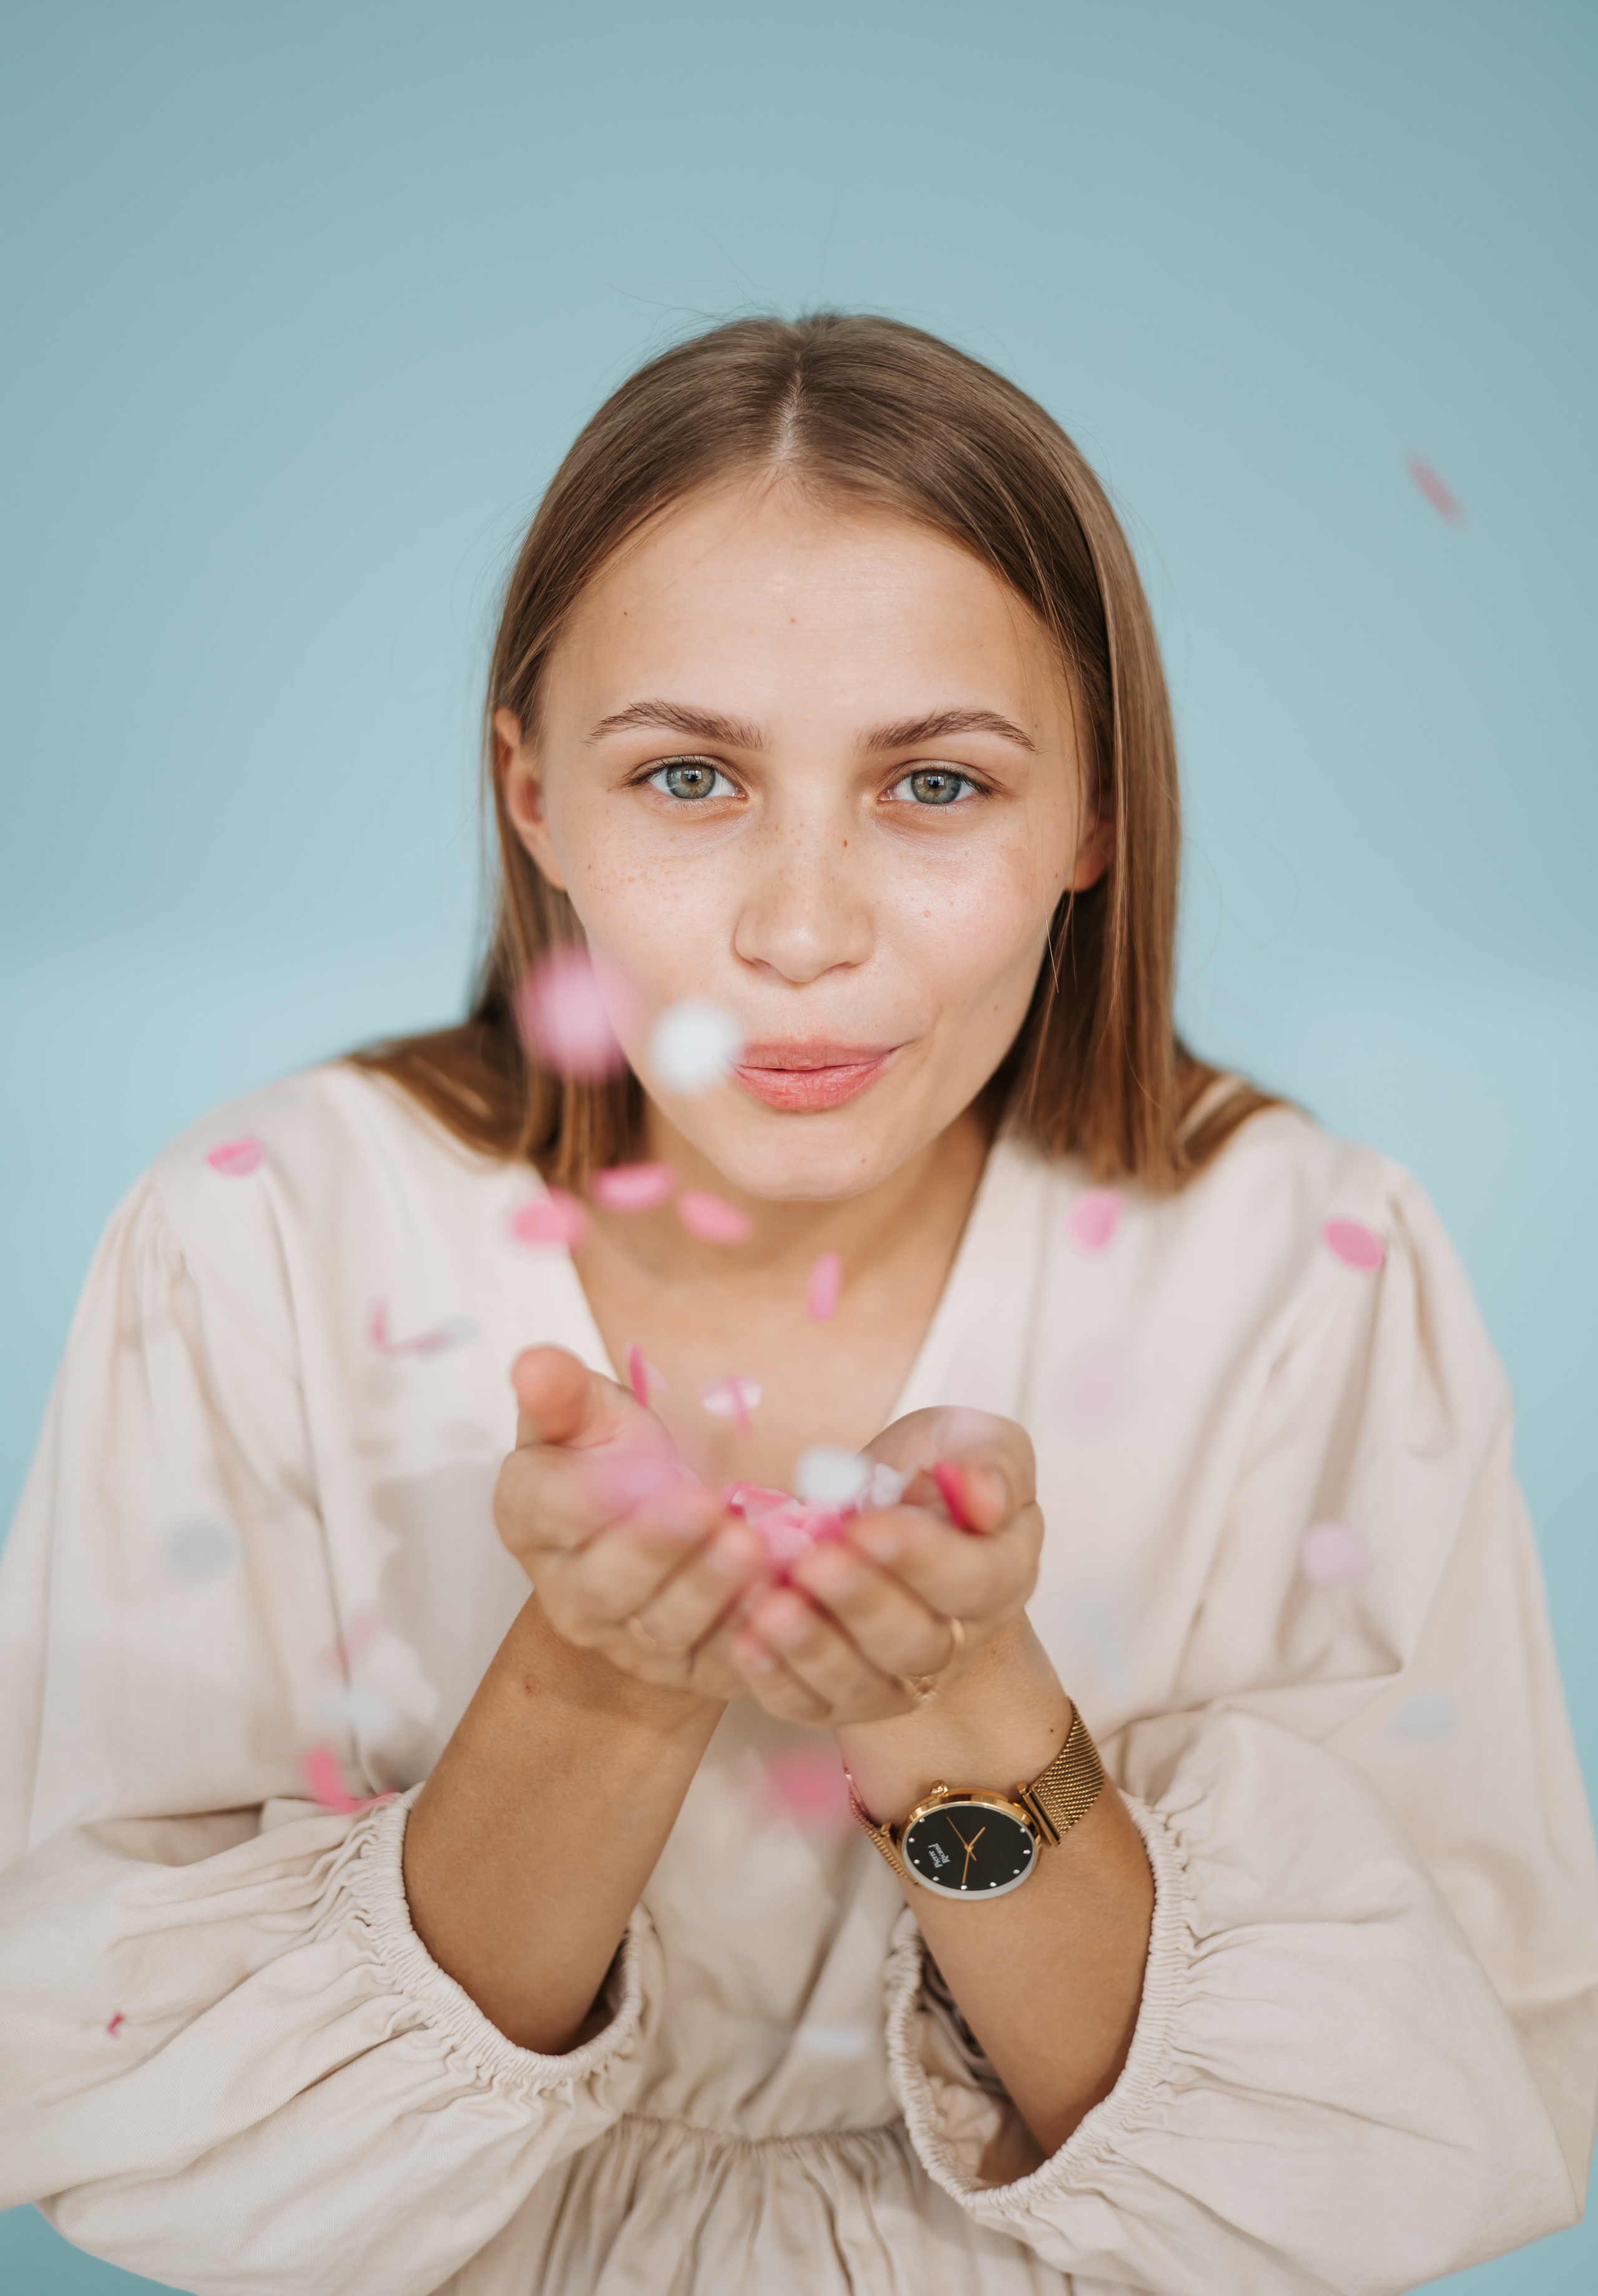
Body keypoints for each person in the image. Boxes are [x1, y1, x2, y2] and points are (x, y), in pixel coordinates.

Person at [1, 314, 1594, 2296]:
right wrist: (598, 1684)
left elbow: (1404, 2150)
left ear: (1091, 814)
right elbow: (150, 2139)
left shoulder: (1308, 1270)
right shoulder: (258, 1244)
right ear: (533, 799)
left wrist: (959, 1710)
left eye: (936, 786)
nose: (804, 930)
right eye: (689, 777)